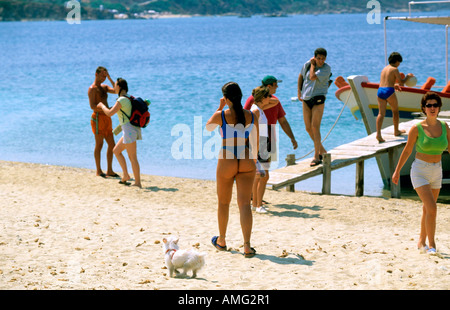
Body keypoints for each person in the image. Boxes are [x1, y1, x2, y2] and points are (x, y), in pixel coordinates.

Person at [392, 92, 449, 255]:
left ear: (439, 108)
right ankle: (432, 245)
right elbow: (407, 150)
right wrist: (397, 171)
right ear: (424, 108)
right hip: (420, 171)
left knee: (427, 209)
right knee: (432, 208)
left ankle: (421, 241)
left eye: (435, 105)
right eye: (429, 105)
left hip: (437, 170)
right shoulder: (417, 128)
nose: (432, 108)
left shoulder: (445, 127)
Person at [206, 82, 259, 258]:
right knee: (244, 204)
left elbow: (208, 127)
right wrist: (255, 161)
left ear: (227, 98)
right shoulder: (251, 115)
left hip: (227, 158)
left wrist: (220, 106)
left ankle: (221, 240)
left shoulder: (221, 115)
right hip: (246, 158)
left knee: (223, 203)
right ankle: (247, 246)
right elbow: (255, 142)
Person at [244, 75, 298, 205]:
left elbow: (282, 120)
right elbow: (245, 117)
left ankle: (256, 198)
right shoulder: (254, 100)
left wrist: (292, 137)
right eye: (275, 84)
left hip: (269, 133)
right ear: (269, 86)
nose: (277, 87)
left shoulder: (273, 100)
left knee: (264, 168)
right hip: (257, 134)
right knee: (258, 170)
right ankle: (253, 198)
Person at [97, 78, 142, 188]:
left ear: (120, 87)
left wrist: (102, 106)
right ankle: (126, 175)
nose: (114, 87)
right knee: (116, 151)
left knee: (133, 157)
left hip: (129, 131)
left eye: (115, 85)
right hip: (130, 130)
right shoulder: (129, 97)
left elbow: (109, 113)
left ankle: (138, 183)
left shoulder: (121, 100)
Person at [297, 47, 331, 167]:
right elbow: (301, 76)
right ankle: (323, 151)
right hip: (306, 98)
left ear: (325, 59)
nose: (320, 61)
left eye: (322, 59)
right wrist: (299, 92)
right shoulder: (307, 64)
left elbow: (312, 77)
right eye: (318, 58)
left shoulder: (326, 68)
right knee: (308, 128)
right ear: (315, 57)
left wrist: (313, 65)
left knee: (315, 127)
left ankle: (316, 156)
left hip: (318, 98)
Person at [376, 52, 414, 143]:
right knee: (395, 111)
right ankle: (396, 131)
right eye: (399, 62)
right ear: (396, 61)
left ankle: (378, 134)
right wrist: (408, 77)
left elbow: (386, 81)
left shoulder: (384, 68)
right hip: (389, 91)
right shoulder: (394, 69)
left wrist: (394, 85)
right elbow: (402, 82)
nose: (399, 64)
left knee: (381, 114)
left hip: (380, 90)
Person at [88, 66, 119, 178]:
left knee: (112, 145)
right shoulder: (92, 88)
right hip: (97, 118)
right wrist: (105, 109)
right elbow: (92, 106)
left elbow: (116, 91)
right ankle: (98, 170)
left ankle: (109, 170)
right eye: (102, 75)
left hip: (107, 117)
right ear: (96, 74)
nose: (103, 78)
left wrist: (110, 78)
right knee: (99, 144)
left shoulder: (105, 87)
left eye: (105, 76)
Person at [249, 86, 274, 214]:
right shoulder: (256, 111)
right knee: (262, 176)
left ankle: (255, 204)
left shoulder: (259, 109)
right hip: (260, 145)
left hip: (263, 144)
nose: (270, 98)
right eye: (268, 96)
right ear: (263, 98)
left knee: (259, 176)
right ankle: (258, 205)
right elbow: (254, 131)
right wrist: (256, 148)